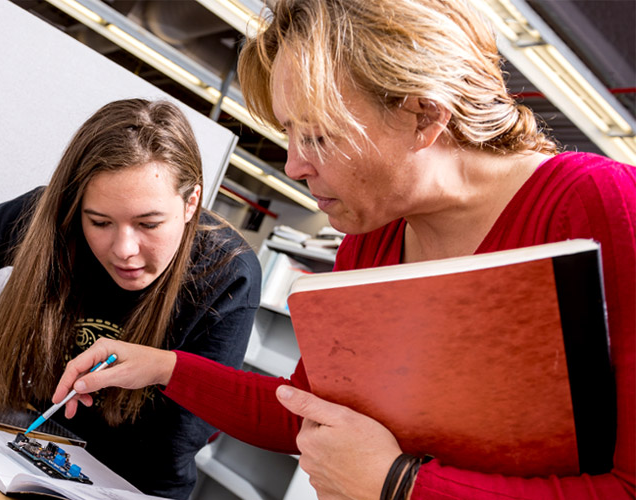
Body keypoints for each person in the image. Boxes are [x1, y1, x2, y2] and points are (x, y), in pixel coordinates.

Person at [52, 1, 635, 499]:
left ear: (423, 115)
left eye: (319, 134)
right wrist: (162, 366)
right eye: (290, 134)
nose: (295, 165)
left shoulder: (601, 205)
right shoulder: (369, 240)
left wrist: (399, 484)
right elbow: (303, 409)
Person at [0, 98, 261, 499]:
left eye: (148, 223)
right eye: (99, 222)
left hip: (132, 484)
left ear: (191, 204)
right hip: (20, 444)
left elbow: (175, 444)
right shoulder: (51, 217)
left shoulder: (227, 273)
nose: (124, 249)